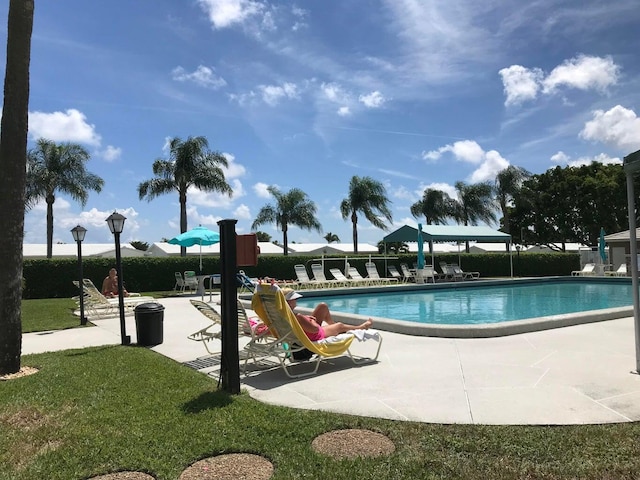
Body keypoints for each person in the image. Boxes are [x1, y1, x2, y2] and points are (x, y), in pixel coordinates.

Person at [283, 288, 372, 341]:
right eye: (294, 299)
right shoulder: (298, 317)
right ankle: (361, 327)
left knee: (323, 306)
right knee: (340, 325)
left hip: (305, 332)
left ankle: (332, 326)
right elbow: (315, 330)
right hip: (314, 335)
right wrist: (312, 321)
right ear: (289, 302)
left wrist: (307, 318)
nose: (296, 301)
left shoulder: (282, 313)